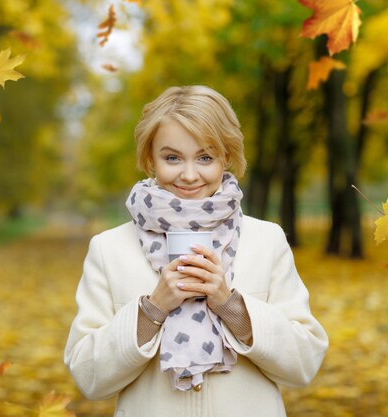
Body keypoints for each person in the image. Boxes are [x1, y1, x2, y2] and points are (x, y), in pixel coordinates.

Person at [64, 85, 328, 417]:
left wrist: (231, 306)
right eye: (172, 157)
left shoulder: (267, 240)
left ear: (227, 157)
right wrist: (153, 309)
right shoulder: (109, 249)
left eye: (205, 157)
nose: (189, 175)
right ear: (150, 158)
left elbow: (304, 365)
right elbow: (89, 378)